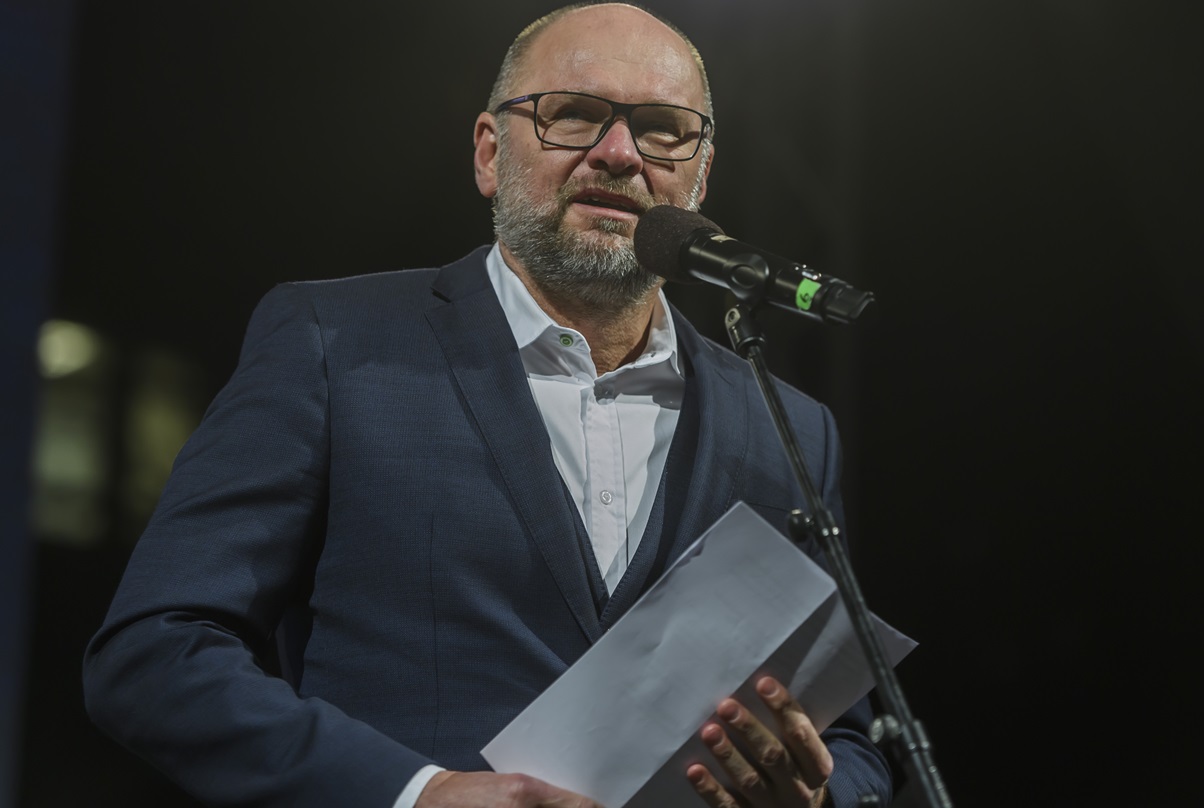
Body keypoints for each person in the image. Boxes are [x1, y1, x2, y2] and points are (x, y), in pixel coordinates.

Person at [83, 3, 893, 807]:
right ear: (489, 152)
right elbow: (154, 651)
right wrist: (418, 793)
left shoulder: (787, 426)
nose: (619, 153)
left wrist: (816, 797)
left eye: (661, 129)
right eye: (573, 114)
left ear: (700, 176)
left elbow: (856, 743)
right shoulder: (333, 344)